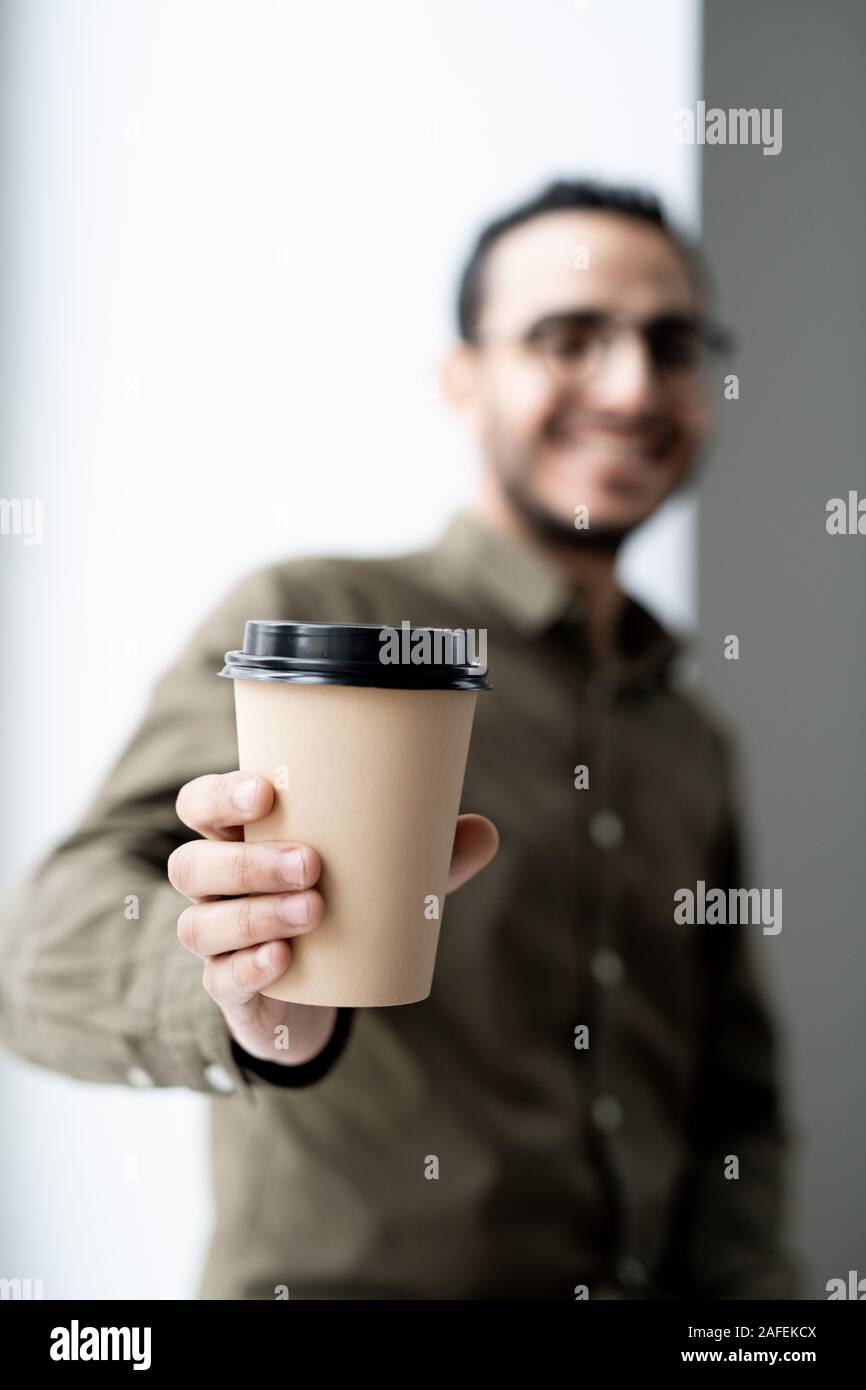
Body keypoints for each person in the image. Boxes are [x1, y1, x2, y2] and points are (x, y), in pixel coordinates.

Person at [0, 179, 797, 1300]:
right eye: (568, 337)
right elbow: (36, 953)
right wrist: (240, 997)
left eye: (670, 346)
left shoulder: (687, 733)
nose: (629, 385)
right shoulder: (308, 618)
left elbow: (732, 1105)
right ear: (461, 379)